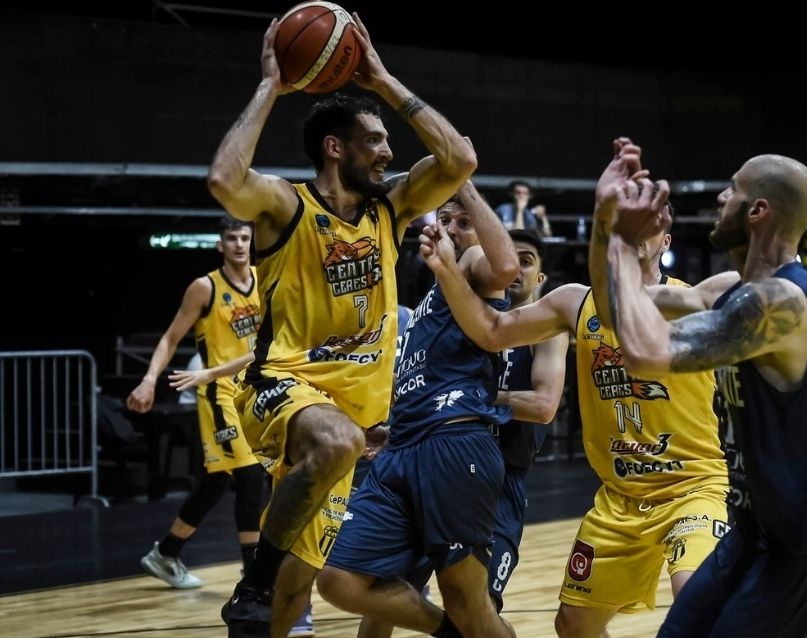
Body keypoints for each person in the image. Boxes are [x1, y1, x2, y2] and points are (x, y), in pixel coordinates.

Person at [208, 9, 477, 638]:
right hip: (282, 386)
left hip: (352, 416)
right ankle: (251, 583)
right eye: (375, 140)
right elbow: (224, 179)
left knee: (297, 585)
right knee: (336, 446)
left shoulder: (391, 208)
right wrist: (271, 86)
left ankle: (264, 604)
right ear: (336, 148)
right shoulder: (285, 205)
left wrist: (381, 79)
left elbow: (459, 158)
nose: (388, 151)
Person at [593, 139, 807, 636]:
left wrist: (624, 239)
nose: (720, 198)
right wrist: (606, 220)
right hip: (757, 532)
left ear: (758, 211)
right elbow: (612, 308)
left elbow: (645, 353)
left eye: (731, 190)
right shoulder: (728, 292)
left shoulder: (780, 302)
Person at [419, 199, 730, 636]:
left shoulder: (691, 301)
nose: (635, 230)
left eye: (650, 224)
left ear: (666, 241)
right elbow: (492, 330)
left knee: (695, 599)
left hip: (692, 488)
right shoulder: (576, 302)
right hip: (620, 497)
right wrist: (448, 270)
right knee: (573, 626)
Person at [315, 181, 519, 638]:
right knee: (339, 578)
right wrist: (393, 426)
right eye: (445, 219)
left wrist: (464, 184)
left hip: (453, 444)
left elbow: (505, 266)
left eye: (464, 222)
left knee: (468, 603)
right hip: (402, 447)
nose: (453, 229)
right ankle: (449, 633)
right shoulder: (430, 299)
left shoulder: (470, 264)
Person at [355, 228, 568, 638]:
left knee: (474, 609)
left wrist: (467, 395)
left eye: (526, 261)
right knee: (387, 587)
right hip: (442, 462)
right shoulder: (465, 320)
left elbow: (544, 406)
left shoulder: (547, 330)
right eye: (510, 258)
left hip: (500, 479)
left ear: (540, 278)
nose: (515, 269)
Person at [126, 215, 268, 594]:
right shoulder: (205, 287)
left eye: (244, 238)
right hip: (219, 393)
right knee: (251, 474)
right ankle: (253, 574)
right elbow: (170, 338)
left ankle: (166, 552)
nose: (239, 244)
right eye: (231, 238)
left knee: (217, 479)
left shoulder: (265, 280)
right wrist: (149, 379)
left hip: (255, 390)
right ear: (220, 245)